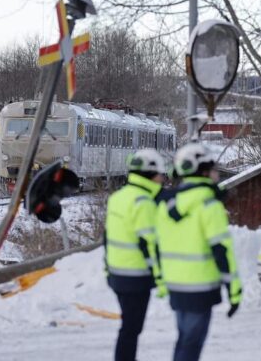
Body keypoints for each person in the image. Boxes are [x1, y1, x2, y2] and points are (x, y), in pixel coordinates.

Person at [156, 143, 241, 361]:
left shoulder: (167, 204)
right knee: (192, 345)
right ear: (203, 171)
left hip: (176, 285)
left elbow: (158, 246)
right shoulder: (209, 205)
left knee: (184, 340)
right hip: (201, 288)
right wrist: (234, 290)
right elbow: (221, 250)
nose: (216, 173)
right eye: (213, 168)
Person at [104, 148, 167, 361]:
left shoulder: (118, 197)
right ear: (149, 174)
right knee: (131, 328)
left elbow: (107, 237)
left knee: (128, 326)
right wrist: (159, 277)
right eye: (160, 174)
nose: (162, 179)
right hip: (136, 277)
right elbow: (148, 244)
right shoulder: (143, 202)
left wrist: (107, 268)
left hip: (117, 274)